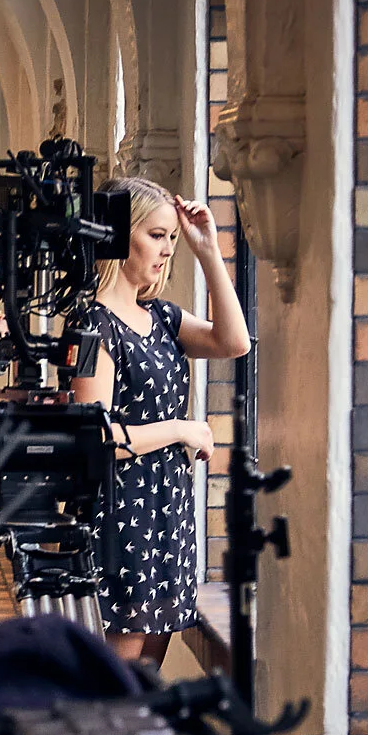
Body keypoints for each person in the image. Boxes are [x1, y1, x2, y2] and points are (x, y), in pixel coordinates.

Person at [70, 176, 251, 667]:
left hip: (167, 513)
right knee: (119, 687)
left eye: (172, 237)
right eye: (156, 235)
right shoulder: (94, 323)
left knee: (145, 682)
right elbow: (98, 434)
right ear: (114, 234)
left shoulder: (162, 317)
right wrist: (181, 428)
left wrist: (209, 251)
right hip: (121, 516)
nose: (167, 249)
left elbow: (235, 342)